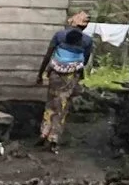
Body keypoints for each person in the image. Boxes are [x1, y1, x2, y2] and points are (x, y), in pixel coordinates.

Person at [37, 9, 95, 147]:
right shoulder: (87, 40)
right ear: (85, 26)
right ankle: (54, 137)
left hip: (55, 74)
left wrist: (40, 74)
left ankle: (44, 132)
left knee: (51, 102)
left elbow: (48, 55)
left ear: (72, 22)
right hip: (71, 76)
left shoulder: (59, 35)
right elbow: (84, 61)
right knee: (63, 105)